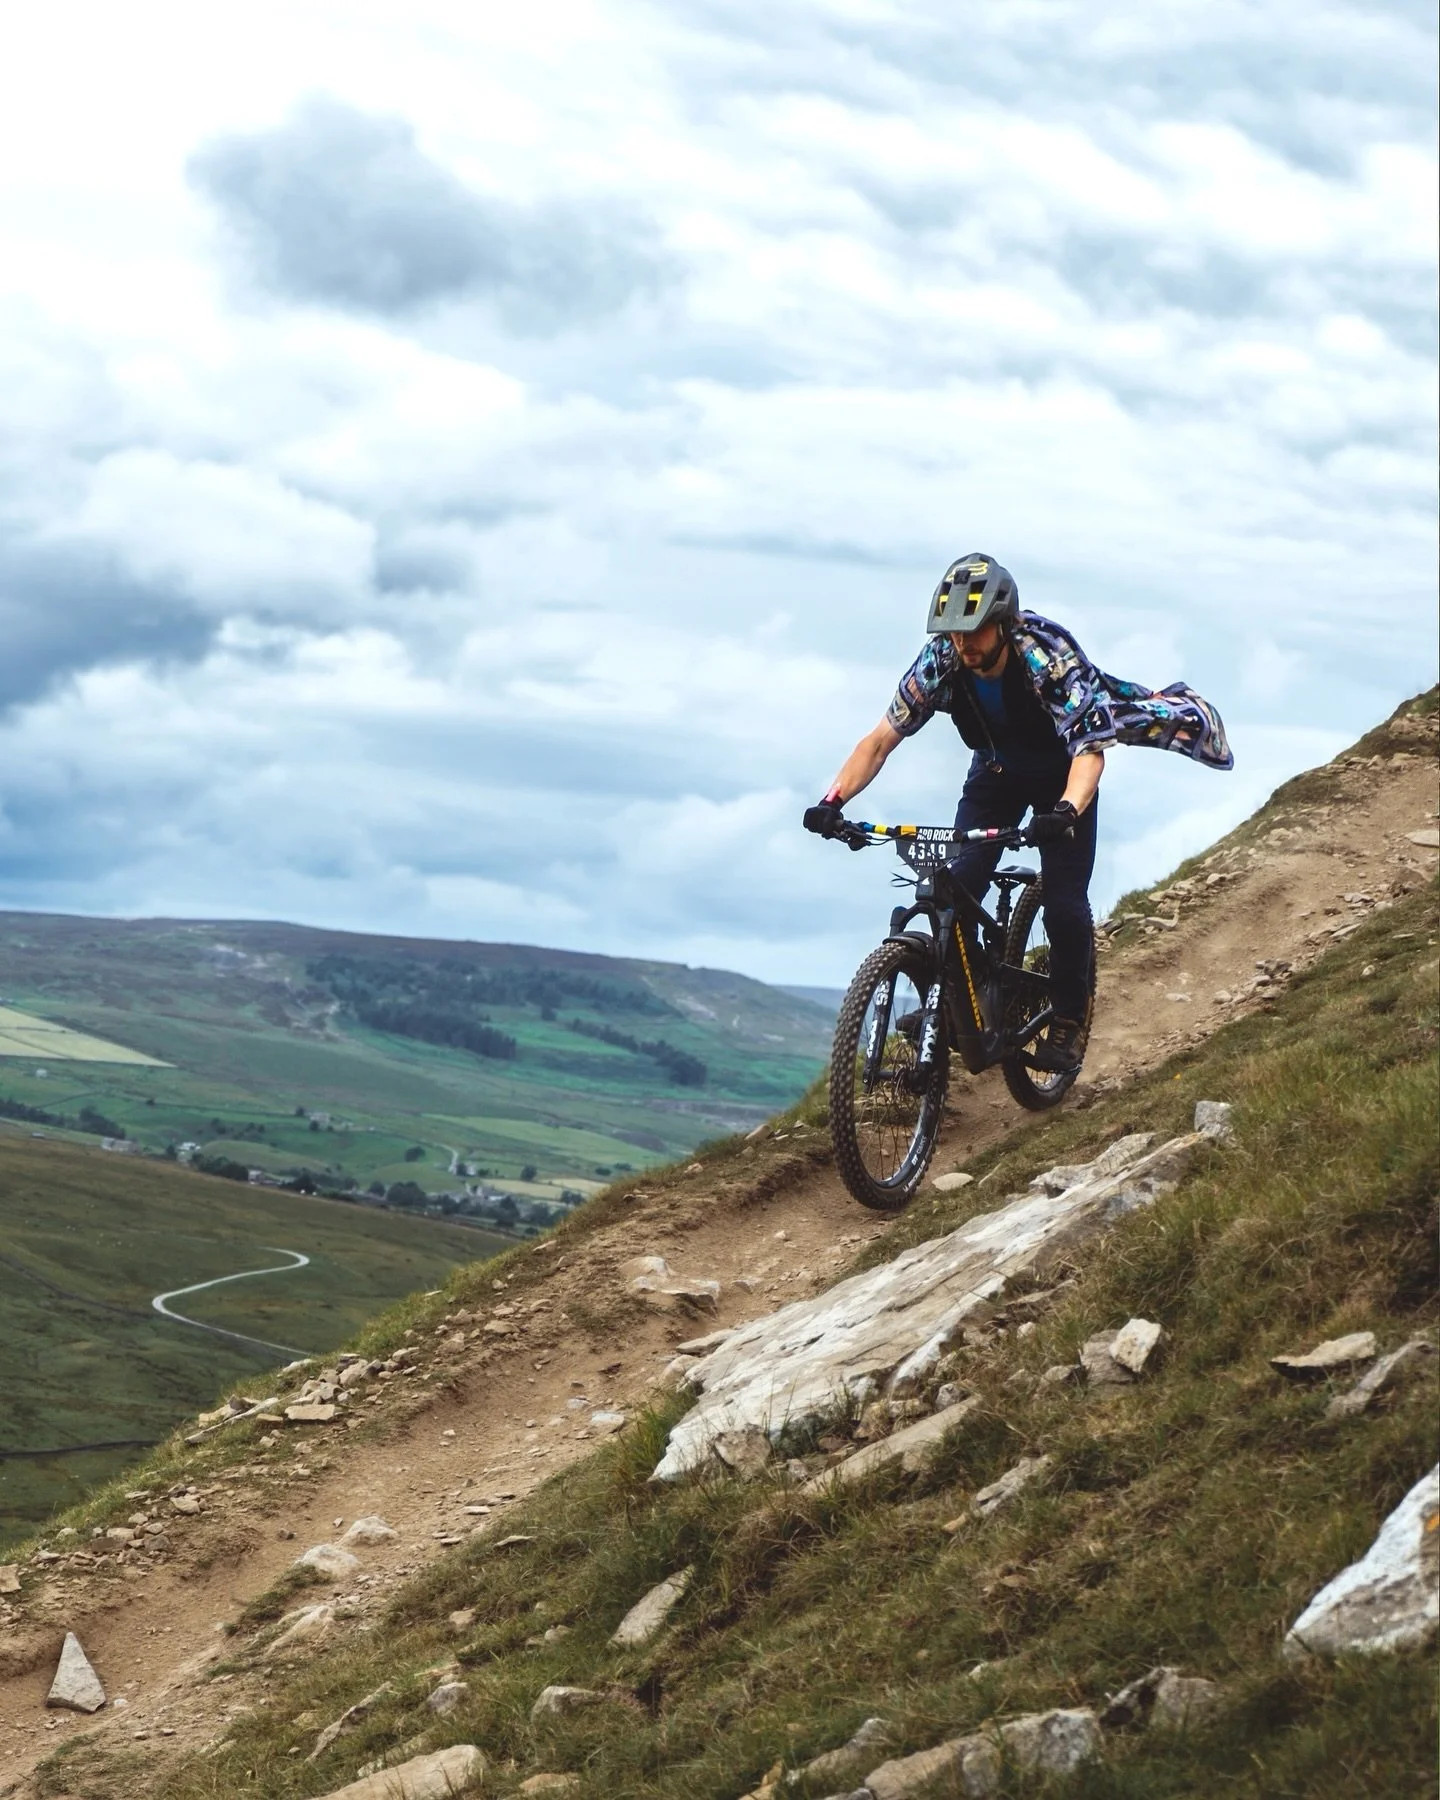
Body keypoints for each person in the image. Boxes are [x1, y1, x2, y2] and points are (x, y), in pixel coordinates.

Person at [803, 553, 1233, 1074]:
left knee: (1063, 901)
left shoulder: (1048, 657)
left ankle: (1070, 1018)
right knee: (957, 889)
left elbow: (1089, 751)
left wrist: (1067, 811)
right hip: (996, 774)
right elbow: (879, 740)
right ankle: (959, 1003)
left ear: (1004, 624)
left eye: (976, 631)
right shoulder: (940, 661)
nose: (964, 643)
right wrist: (833, 801)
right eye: (954, 632)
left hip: (1062, 775)